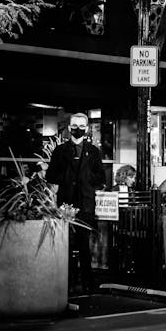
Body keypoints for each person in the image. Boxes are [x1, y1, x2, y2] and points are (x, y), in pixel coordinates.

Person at [46, 112, 106, 294]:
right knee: (66, 244)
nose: (77, 129)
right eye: (74, 125)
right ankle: (67, 282)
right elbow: (50, 175)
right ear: (69, 127)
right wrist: (65, 176)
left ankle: (87, 282)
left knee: (84, 244)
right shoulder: (60, 151)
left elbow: (101, 177)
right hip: (66, 203)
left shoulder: (94, 152)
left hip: (86, 204)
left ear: (86, 128)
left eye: (81, 126)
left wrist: (87, 179)